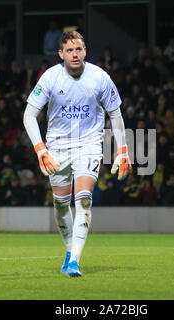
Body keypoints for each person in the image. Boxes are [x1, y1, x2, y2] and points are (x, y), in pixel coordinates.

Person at [23, 31, 131, 277]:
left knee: (83, 199)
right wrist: (40, 149)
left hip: (89, 145)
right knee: (61, 205)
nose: (75, 54)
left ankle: (74, 261)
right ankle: (69, 250)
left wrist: (122, 150)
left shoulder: (100, 78)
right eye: (70, 50)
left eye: (79, 49)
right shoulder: (50, 78)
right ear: (61, 54)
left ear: (85, 51)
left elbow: (115, 114)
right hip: (57, 148)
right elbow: (29, 115)